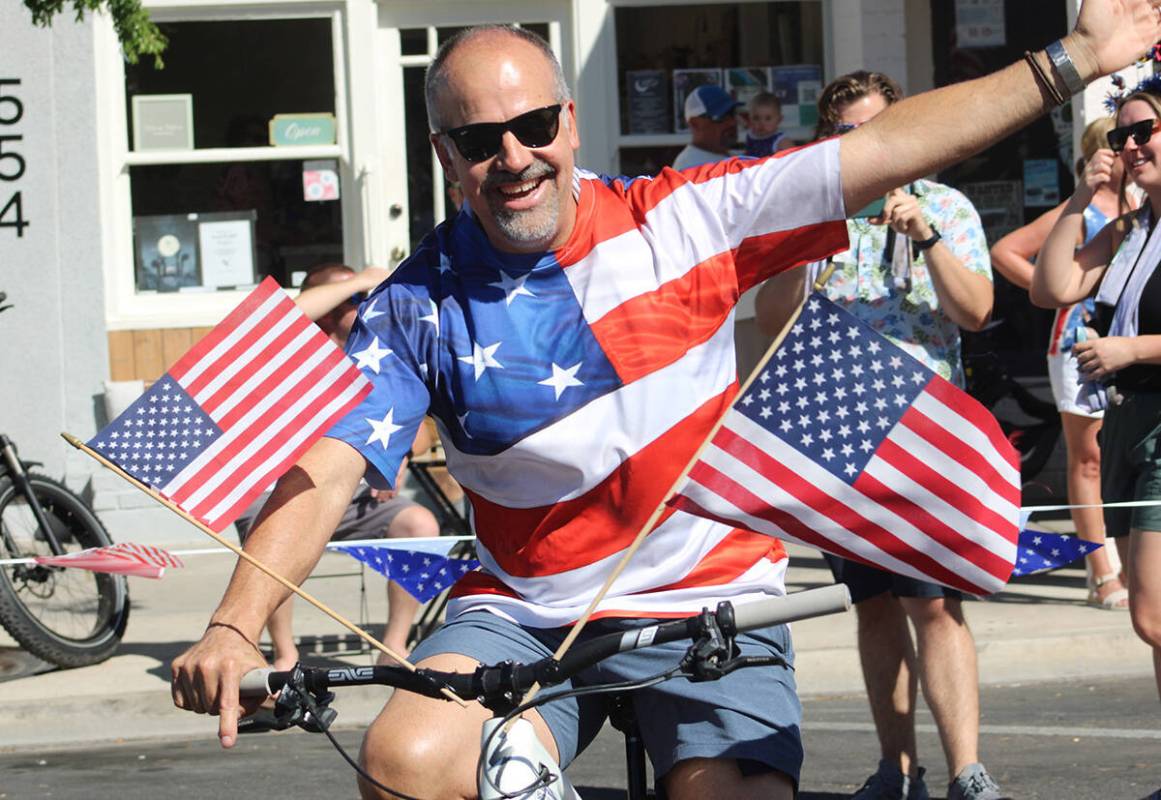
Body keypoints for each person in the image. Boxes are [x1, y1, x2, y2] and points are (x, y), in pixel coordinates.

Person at [170, 9, 1161, 800]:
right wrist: (233, 619)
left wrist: (1072, 59)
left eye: (533, 125)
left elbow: (888, 147)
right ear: (443, 153)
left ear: (570, 121)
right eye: (480, 138)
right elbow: (333, 459)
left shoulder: (686, 215)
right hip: (524, 608)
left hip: (708, 594)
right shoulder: (415, 303)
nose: (513, 155)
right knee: (403, 760)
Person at [755, 69, 1001, 800]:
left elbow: (977, 309)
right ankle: (897, 770)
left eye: (878, 127)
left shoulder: (943, 206)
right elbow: (772, 317)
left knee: (932, 602)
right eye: (848, 133)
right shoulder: (822, 216)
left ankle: (966, 770)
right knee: (870, 603)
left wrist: (924, 237)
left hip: (924, 432)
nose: (868, 144)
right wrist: (809, 250)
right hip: (843, 431)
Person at [1032, 81, 1161, 767]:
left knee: (1151, 613)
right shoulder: (1132, 227)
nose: (1130, 146)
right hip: (1126, 421)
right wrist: (1084, 196)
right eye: (1121, 136)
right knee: (1155, 622)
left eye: (1144, 131)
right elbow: (1048, 286)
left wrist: (1130, 349)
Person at [236, 263, 442, 668]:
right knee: (271, 535)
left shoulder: (376, 354)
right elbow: (283, 314)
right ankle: (285, 654)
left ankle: (393, 646)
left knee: (421, 526)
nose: (371, 303)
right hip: (281, 495)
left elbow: (420, 433)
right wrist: (361, 280)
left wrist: (398, 453)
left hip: (355, 500)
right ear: (329, 309)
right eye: (358, 299)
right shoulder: (292, 351)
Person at [990, 118, 1136, 610]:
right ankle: (1101, 573)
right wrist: (1059, 294)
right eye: (1117, 144)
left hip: (1131, 344)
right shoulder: (1084, 209)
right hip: (1078, 343)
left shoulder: (1143, 209)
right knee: (1088, 456)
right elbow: (1006, 251)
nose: (1129, 153)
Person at [672, 84, 743, 169]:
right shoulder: (690, 168)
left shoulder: (731, 156)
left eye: (732, 114)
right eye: (721, 117)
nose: (732, 122)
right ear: (695, 123)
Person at [743, 91, 794, 158]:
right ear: (750, 119)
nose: (761, 123)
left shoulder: (781, 141)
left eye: (768, 118)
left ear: (779, 120)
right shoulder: (751, 136)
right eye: (756, 118)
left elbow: (792, 161)